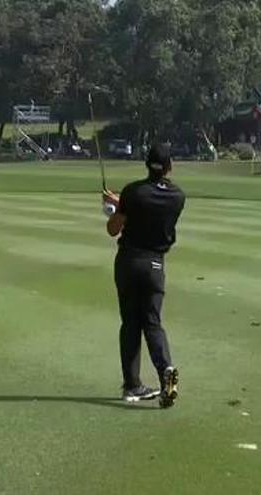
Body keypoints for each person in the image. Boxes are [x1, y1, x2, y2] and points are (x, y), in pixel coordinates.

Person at [102, 143, 185, 408]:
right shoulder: (177, 196)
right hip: (155, 265)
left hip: (127, 262)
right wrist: (124, 204)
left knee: (130, 323)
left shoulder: (132, 192)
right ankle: (165, 371)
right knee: (152, 322)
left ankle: (132, 385)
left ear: (147, 164)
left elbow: (113, 230)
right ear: (169, 167)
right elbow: (150, 207)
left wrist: (114, 209)